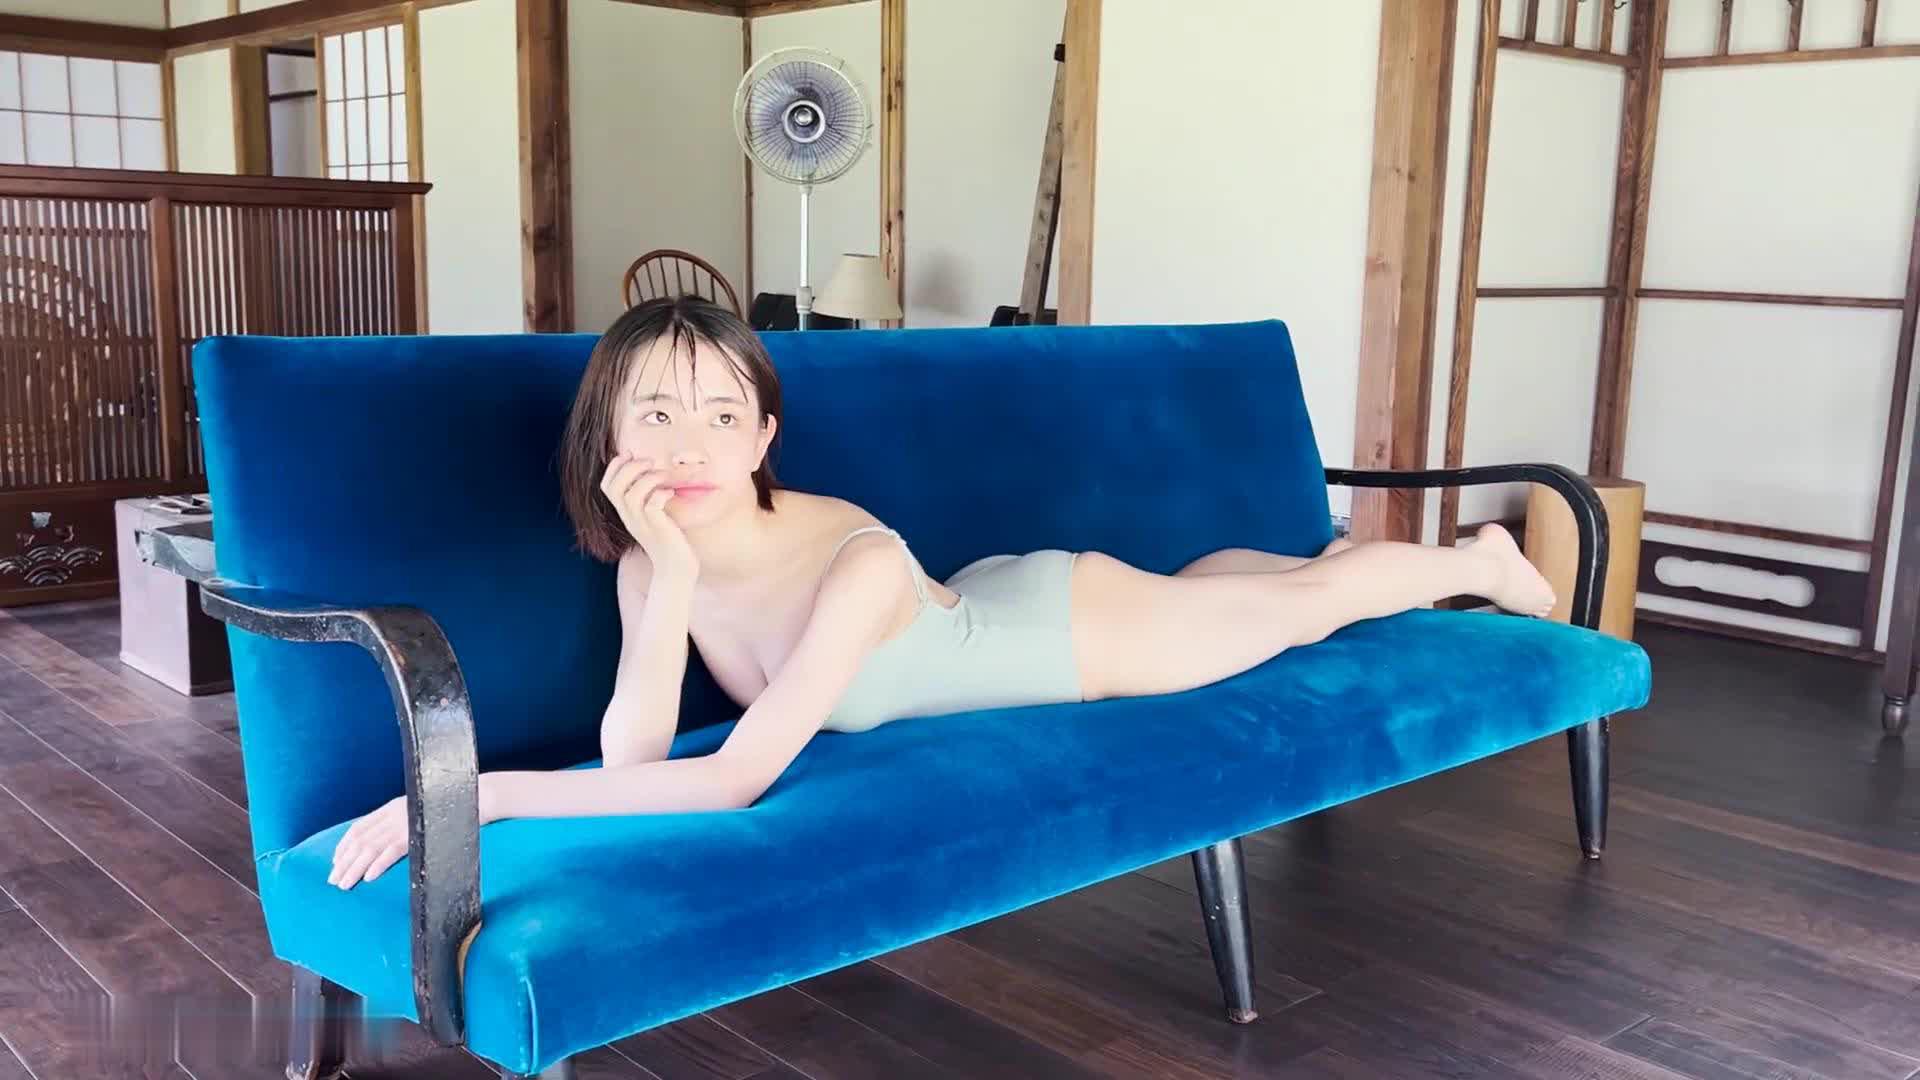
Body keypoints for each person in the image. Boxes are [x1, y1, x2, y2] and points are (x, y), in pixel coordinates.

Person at [327, 297, 1554, 890]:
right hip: (980, 604)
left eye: (718, 417)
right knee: (1248, 589)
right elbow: (636, 758)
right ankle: (1363, 567)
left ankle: (1479, 564)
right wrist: (675, 578)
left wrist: (485, 793)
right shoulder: (658, 556)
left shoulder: (854, 562)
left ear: (763, 437)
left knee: (1315, 605)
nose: (687, 446)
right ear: (609, 432)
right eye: (654, 414)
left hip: (1068, 635)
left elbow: (732, 779)